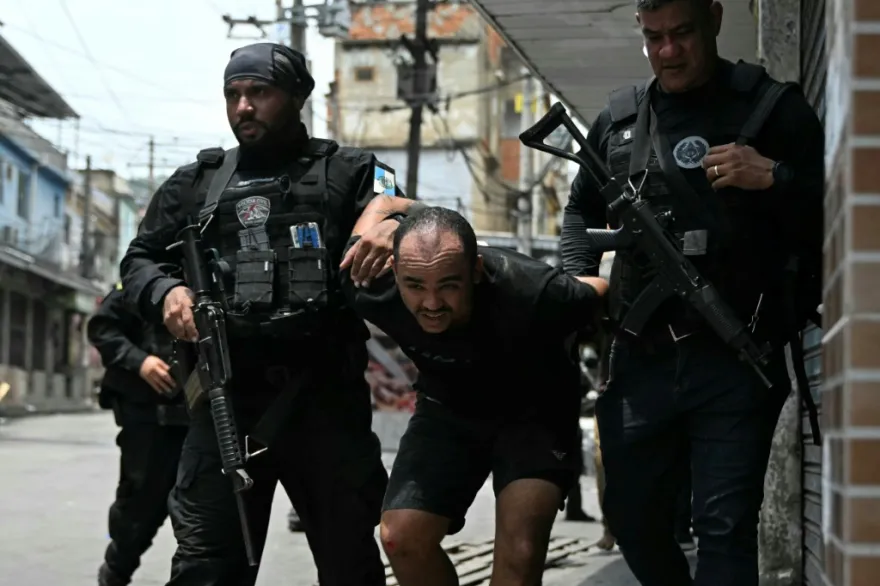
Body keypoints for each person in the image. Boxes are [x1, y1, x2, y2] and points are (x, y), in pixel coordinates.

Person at [119, 42, 421, 586]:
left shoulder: (352, 172)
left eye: (259, 92)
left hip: (324, 402)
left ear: (297, 96)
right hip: (225, 400)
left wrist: (393, 225)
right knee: (205, 567)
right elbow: (139, 258)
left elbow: (412, 216)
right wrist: (167, 291)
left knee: (350, 564)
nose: (243, 107)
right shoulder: (196, 184)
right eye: (233, 94)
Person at [560, 1, 823, 585]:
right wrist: (580, 278)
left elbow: (843, 207)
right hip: (640, 359)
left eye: (682, 33)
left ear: (715, 19)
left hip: (736, 356)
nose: (668, 51)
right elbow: (580, 209)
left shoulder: (771, 108)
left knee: (725, 527)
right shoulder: (620, 120)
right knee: (632, 517)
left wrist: (775, 177)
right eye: (654, 37)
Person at [340, 206, 608, 586]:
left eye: (449, 285)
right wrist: (394, 222)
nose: (432, 303)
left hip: (536, 413)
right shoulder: (367, 280)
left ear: (476, 270)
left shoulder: (535, 289)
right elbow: (383, 202)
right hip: (448, 408)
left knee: (520, 555)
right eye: (415, 285)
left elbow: (598, 290)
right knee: (401, 538)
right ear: (395, 272)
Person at [87, 283, 189, 586]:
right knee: (140, 504)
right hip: (148, 414)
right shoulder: (144, 277)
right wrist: (139, 361)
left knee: (202, 512)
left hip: (203, 411)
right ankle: (116, 571)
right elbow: (101, 327)